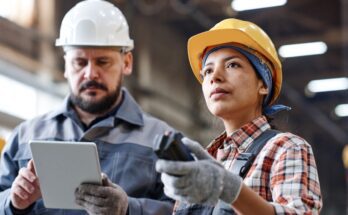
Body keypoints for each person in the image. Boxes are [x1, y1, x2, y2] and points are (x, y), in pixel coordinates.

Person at [0, 0, 175, 214]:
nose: (90, 73)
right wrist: (12, 202)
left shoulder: (162, 141)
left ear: (127, 62)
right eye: (80, 62)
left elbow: (189, 210)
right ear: (66, 65)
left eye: (102, 62)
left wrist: (129, 209)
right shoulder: (24, 137)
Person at [156, 18, 323, 214]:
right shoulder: (204, 164)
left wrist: (230, 189)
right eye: (207, 70)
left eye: (232, 65)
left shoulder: (286, 148)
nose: (214, 76)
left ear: (263, 84)